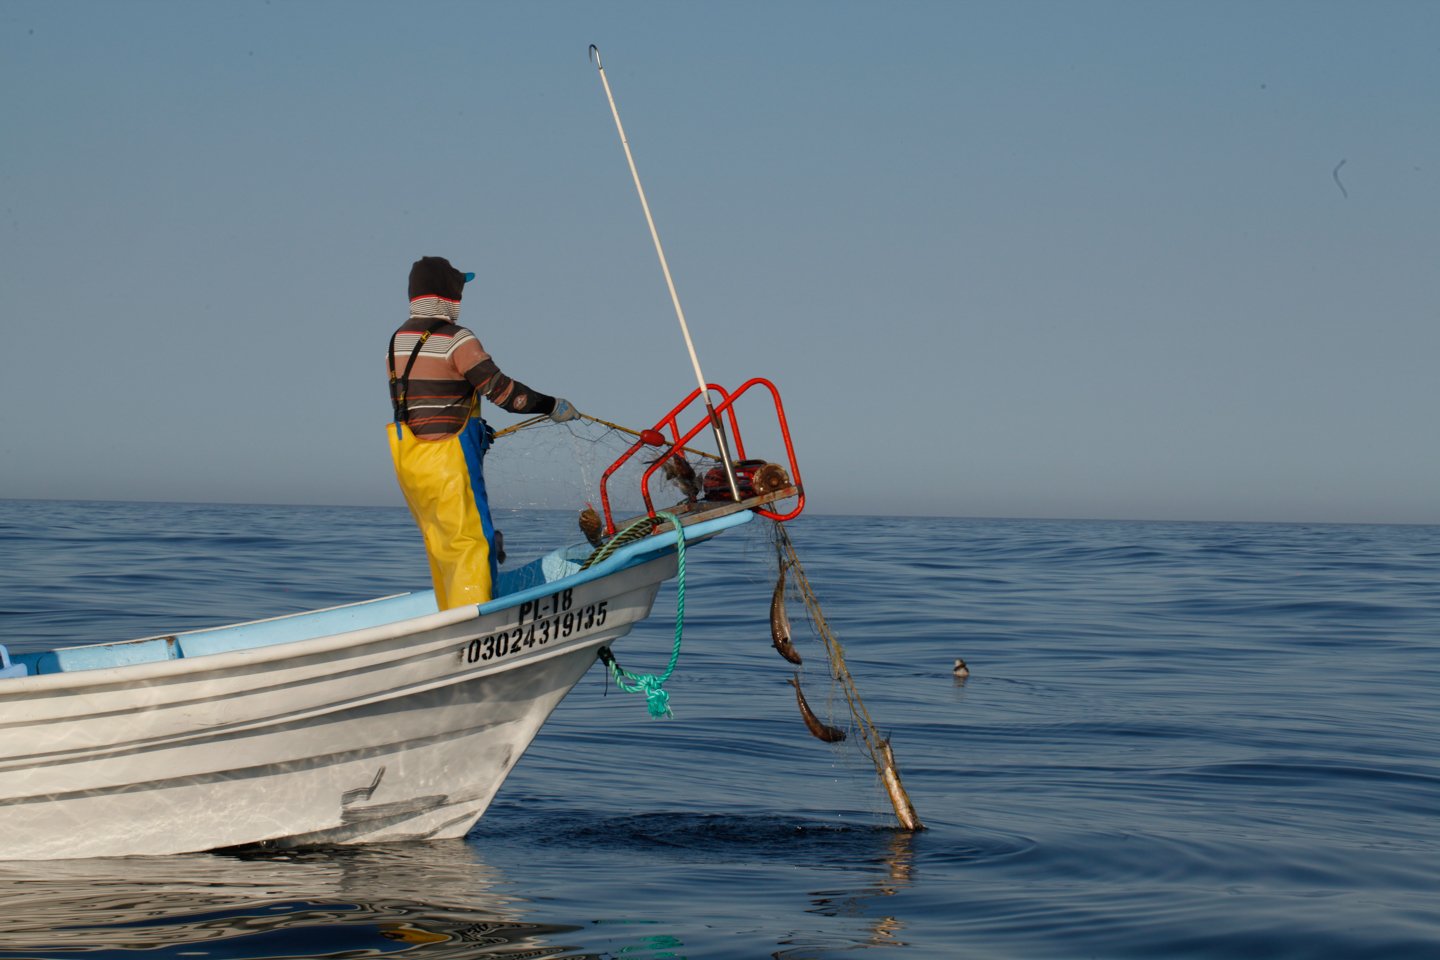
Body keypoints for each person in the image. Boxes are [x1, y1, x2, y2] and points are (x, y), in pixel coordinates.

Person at [387, 256, 579, 609]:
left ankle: (452, 612)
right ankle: (476, 626)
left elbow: (431, 400)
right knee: (471, 543)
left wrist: (473, 426)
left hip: (411, 461)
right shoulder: (457, 338)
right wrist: (552, 405)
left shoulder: (397, 340)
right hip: (449, 462)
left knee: (442, 543)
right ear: (449, 296)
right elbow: (508, 395)